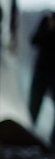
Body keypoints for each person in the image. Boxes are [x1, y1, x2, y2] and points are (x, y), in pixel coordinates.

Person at [28, 11, 55, 145]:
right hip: (41, 71)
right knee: (33, 107)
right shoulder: (46, 20)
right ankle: (29, 138)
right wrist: (50, 28)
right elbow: (34, 40)